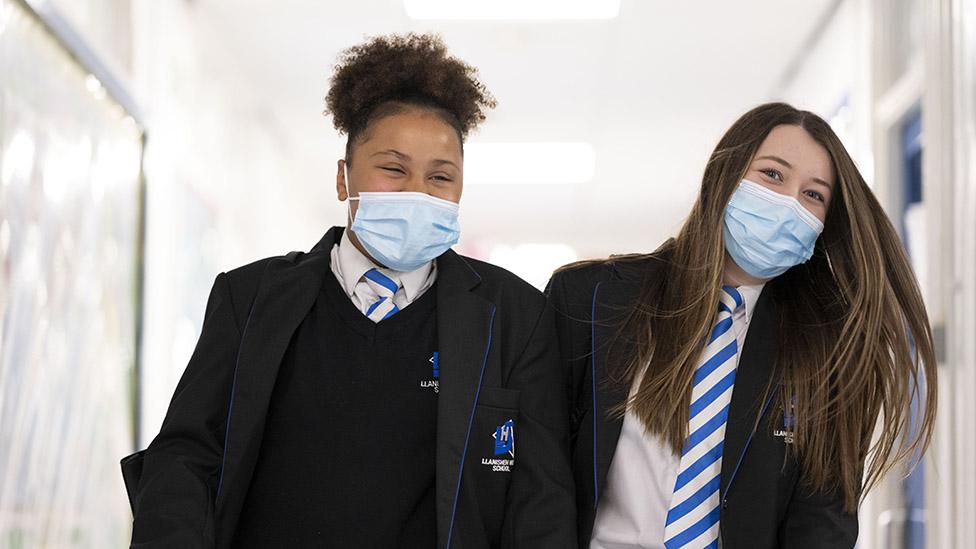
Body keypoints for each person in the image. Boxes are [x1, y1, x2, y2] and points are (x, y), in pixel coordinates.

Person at [123, 33, 576, 548]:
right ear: (344, 179)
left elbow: (541, 503)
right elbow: (186, 457)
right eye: (393, 169)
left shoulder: (515, 318)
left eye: (440, 177)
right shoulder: (249, 299)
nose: (416, 193)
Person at [546, 102, 937, 549]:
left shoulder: (826, 350)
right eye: (772, 175)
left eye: (813, 195)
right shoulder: (590, 299)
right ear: (724, 174)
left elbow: (822, 526)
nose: (788, 203)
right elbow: (539, 478)